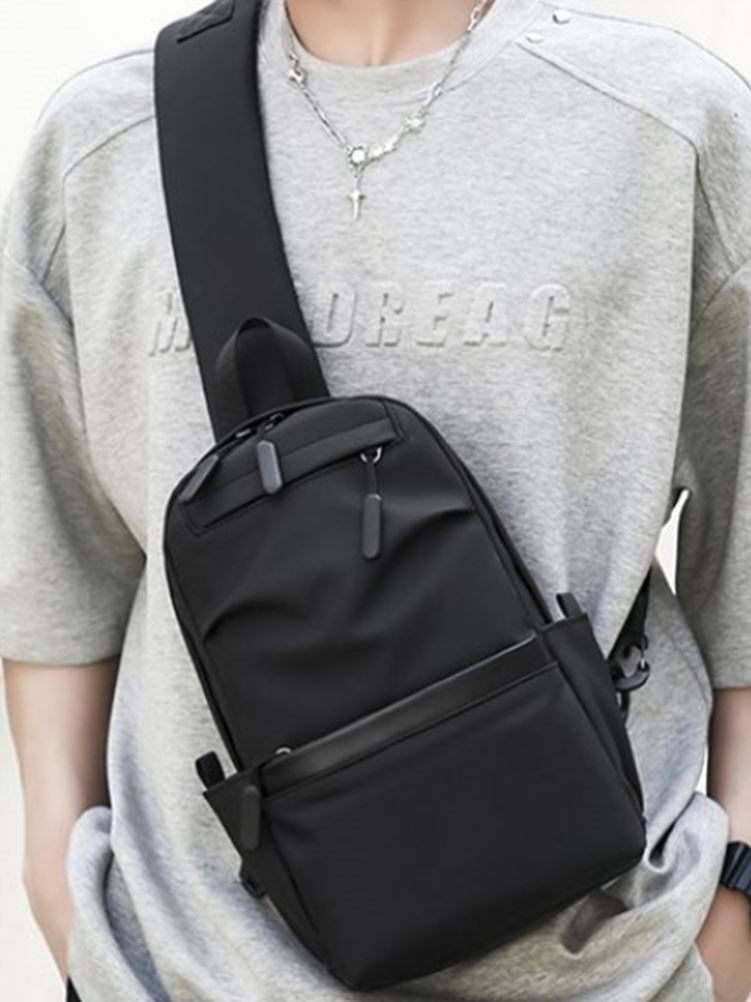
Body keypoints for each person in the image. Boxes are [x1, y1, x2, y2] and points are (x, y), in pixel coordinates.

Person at [2, 0, 751, 999]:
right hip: (188, 970)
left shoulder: (662, 122)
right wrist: (63, 895)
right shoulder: (101, 146)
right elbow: (56, 570)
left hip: (614, 969)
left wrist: (733, 916)